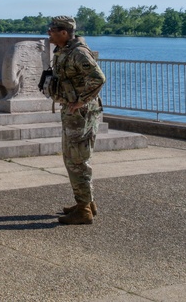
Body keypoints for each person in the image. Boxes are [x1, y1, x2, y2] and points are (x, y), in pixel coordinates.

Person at [47, 15, 106, 225]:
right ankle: (87, 202)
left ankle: (84, 210)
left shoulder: (78, 53)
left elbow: (98, 78)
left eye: (52, 30)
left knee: (77, 160)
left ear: (64, 33)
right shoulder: (64, 50)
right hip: (73, 112)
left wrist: (81, 101)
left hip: (81, 114)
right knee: (73, 158)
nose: (48, 33)